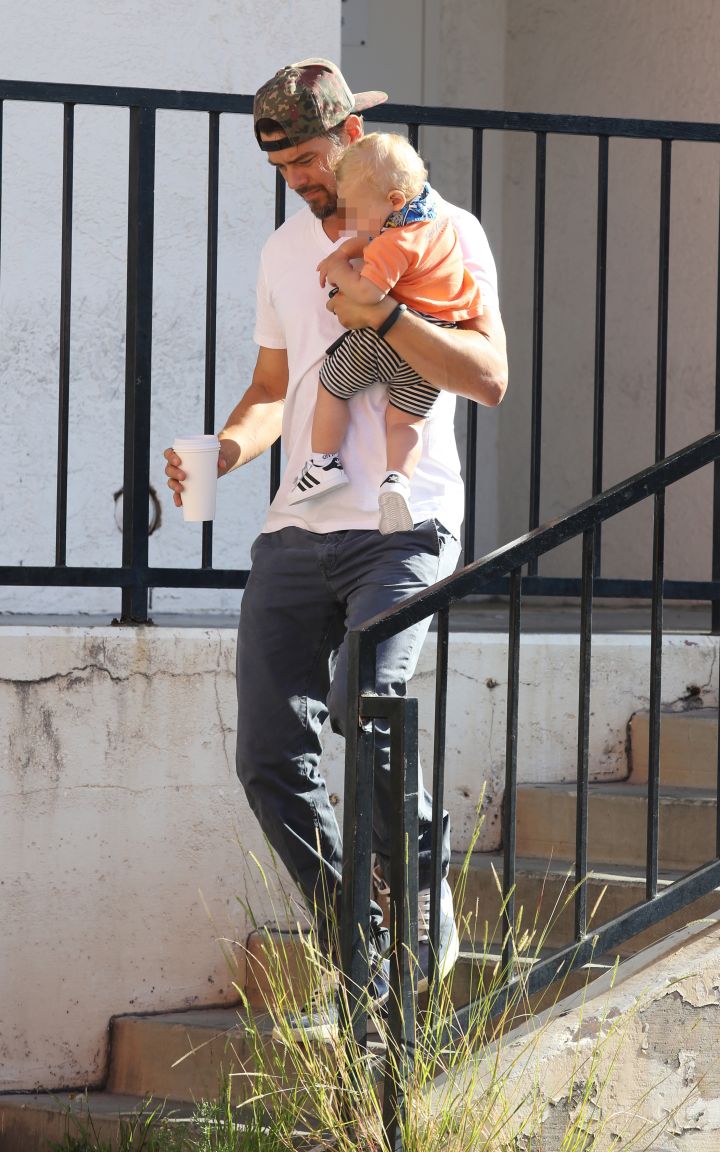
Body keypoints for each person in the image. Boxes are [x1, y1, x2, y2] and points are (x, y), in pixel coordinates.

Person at [164, 58, 508, 1040]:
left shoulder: (444, 232)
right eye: (286, 168)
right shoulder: (282, 252)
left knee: (371, 700)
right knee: (268, 756)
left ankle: (421, 880)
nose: (305, 184)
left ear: (353, 138)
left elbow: (489, 376)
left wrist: (388, 317)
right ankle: (355, 933)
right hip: (297, 533)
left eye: (314, 161)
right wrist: (221, 451)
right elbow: (277, 387)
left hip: (404, 526)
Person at [288, 131, 483, 536]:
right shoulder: (434, 220)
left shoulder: (394, 244)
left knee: (332, 384)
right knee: (407, 424)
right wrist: (350, 246)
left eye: (357, 209)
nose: (353, 220)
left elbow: (367, 294)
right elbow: (374, 232)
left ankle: (323, 463)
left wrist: (339, 268)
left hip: (385, 340)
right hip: (429, 348)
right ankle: (397, 481)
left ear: (394, 201)